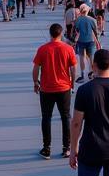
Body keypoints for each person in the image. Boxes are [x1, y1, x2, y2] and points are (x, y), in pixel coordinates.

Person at [33, 23, 77, 159]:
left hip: (46, 88)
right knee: (65, 117)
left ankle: (47, 148)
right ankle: (67, 148)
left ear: (50, 33)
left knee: (46, 117)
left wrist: (36, 82)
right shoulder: (68, 49)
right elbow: (73, 69)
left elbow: (36, 68)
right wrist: (72, 83)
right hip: (64, 88)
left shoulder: (43, 49)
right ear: (61, 33)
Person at [74, 5, 100, 80]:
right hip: (90, 40)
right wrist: (97, 40)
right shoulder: (92, 20)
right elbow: (96, 31)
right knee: (91, 57)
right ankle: (91, 72)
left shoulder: (78, 20)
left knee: (82, 57)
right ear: (88, 11)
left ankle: (82, 74)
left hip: (81, 40)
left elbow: (77, 30)